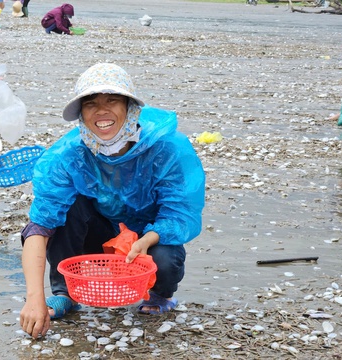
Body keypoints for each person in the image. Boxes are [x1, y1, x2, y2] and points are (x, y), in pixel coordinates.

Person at [18, 63, 205, 337]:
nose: (101, 111)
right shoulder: (68, 155)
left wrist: (147, 240)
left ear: (130, 108)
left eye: (112, 100)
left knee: (165, 258)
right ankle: (65, 292)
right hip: (100, 230)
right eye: (90, 103)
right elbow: (40, 226)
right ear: (81, 113)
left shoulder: (166, 147)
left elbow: (179, 213)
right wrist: (34, 298)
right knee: (65, 208)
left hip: (147, 237)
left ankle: (160, 295)